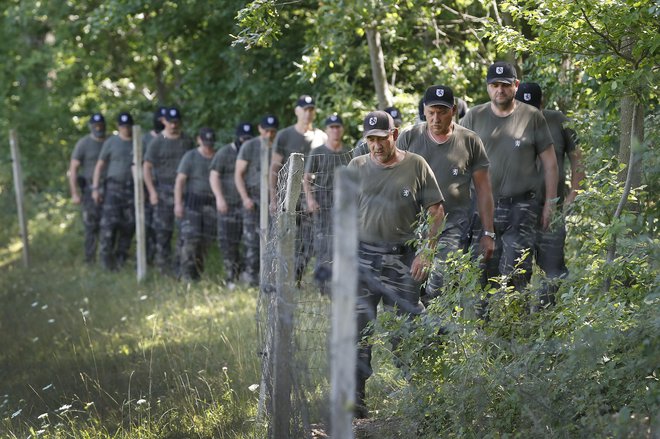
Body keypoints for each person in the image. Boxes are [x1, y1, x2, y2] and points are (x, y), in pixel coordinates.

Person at [348, 110, 445, 418]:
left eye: (381, 138)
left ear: (395, 134)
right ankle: (357, 400)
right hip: (363, 257)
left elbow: (437, 211)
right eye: (371, 140)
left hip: (403, 258)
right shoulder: (357, 166)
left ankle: (419, 397)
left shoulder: (416, 165)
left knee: (405, 330)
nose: (376, 145)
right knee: (358, 329)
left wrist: (426, 252)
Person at [460, 61, 559, 301]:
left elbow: (550, 164)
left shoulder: (532, 117)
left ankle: (519, 332)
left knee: (518, 272)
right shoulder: (474, 117)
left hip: (521, 207)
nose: (499, 90)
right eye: (494, 85)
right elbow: (457, 158)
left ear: (515, 85)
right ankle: (486, 332)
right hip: (483, 207)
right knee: (484, 271)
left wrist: (550, 204)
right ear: (487, 87)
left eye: (505, 85)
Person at [397, 85, 494, 304]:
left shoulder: (469, 141)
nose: (436, 118)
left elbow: (484, 190)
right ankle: (421, 332)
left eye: (442, 112)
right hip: (414, 224)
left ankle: (438, 333)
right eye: (431, 112)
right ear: (424, 110)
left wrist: (488, 232)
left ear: (453, 110)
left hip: (453, 225)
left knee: (438, 281)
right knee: (409, 285)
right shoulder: (409, 138)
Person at [515, 82, 586, 308]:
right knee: (517, 271)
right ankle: (520, 326)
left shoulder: (559, 121)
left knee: (553, 271)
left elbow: (578, 159)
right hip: (517, 210)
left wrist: (572, 196)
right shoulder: (507, 123)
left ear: (542, 104)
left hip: (552, 207)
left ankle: (548, 321)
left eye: (534, 108)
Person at [269, 95, 327, 285]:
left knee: (310, 241)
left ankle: (296, 278)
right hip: (288, 198)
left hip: (312, 199)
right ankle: (284, 279)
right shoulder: (285, 135)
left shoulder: (321, 136)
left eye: (311, 109)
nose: (308, 113)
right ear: (297, 111)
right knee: (287, 241)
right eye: (304, 109)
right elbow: (274, 169)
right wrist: (273, 198)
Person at [302, 114, 353, 295]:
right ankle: (323, 287)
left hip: (344, 205)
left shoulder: (349, 152)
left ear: (342, 129)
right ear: (326, 130)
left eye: (338, 126)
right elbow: (306, 179)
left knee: (344, 245)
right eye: (331, 127)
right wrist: (310, 199)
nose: (335, 130)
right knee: (323, 246)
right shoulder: (317, 152)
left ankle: (341, 284)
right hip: (322, 204)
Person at [143, 107, 194, 273]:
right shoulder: (157, 141)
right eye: (171, 122)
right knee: (162, 232)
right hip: (163, 191)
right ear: (164, 121)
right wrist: (152, 192)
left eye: (176, 122)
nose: (173, 125)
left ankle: (180, 267)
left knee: (184, 232)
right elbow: (147, 167)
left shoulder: (186, 140)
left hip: (185, 192)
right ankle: (162, 268)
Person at [235, 115, 279, 286]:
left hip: (273, 197)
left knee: (274, 239)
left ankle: (271, 278)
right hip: (252, 197)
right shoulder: (249, 146)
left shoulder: (278, 147)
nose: (269, 134)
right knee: (251, 240)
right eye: (266, 130)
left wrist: (275, 200)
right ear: (260, 129)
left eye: (272, 131)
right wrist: (245, 197)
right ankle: (251, 278)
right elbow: (238, 174)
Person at [210, 122, 255, 284]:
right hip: (228, 204)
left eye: (249, 139)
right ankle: (231, 276)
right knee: (228, 242)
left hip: (248, 205)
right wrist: (219, 198)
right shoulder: (225, 153)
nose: (245, 143)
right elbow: (214, 176)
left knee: (250, 241)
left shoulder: (253, 151)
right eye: (243, 139)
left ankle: (248, 275)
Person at [91, 112, 136, 271]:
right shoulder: (111, 142)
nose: (126, 129)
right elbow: (100, 165)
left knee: (129, 225)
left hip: (132, 189)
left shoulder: (137, 142)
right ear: (118, 127)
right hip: (113, 188)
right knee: (109, 225)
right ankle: (105, 261)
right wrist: (96, 188)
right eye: (123, 126)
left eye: (128, 126)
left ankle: (121, 259)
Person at [174, 128, 217, 281]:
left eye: (210, 143)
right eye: (205, 143)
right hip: (192, 203)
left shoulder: (217, 156)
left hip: (210, 205)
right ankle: (185, 274)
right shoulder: (190, 156)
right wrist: (178, 203)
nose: (208, 147)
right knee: (190, 239)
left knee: (205, 242)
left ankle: (197, 273)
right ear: (199, 140)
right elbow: (180, 181)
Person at [68, 112, 106, 263]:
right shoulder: (83, 143)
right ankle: (90, 259)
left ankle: (107, 258)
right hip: (89, 189)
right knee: (91, 226)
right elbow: (73, 169)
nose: (98, 128)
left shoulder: (110, 141)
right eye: (95, 126)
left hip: (110, 188)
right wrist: (74, 193)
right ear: (91, 127)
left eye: (101, 126)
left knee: (109, 224)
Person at [141, 106, 167, 264]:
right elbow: (138, 165)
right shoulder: (145, 139)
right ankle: (147, 257)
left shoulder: (169, 138)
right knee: (148, 224)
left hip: (165, 187)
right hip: (148, 186)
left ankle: (161, 258)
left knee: (162, 226)